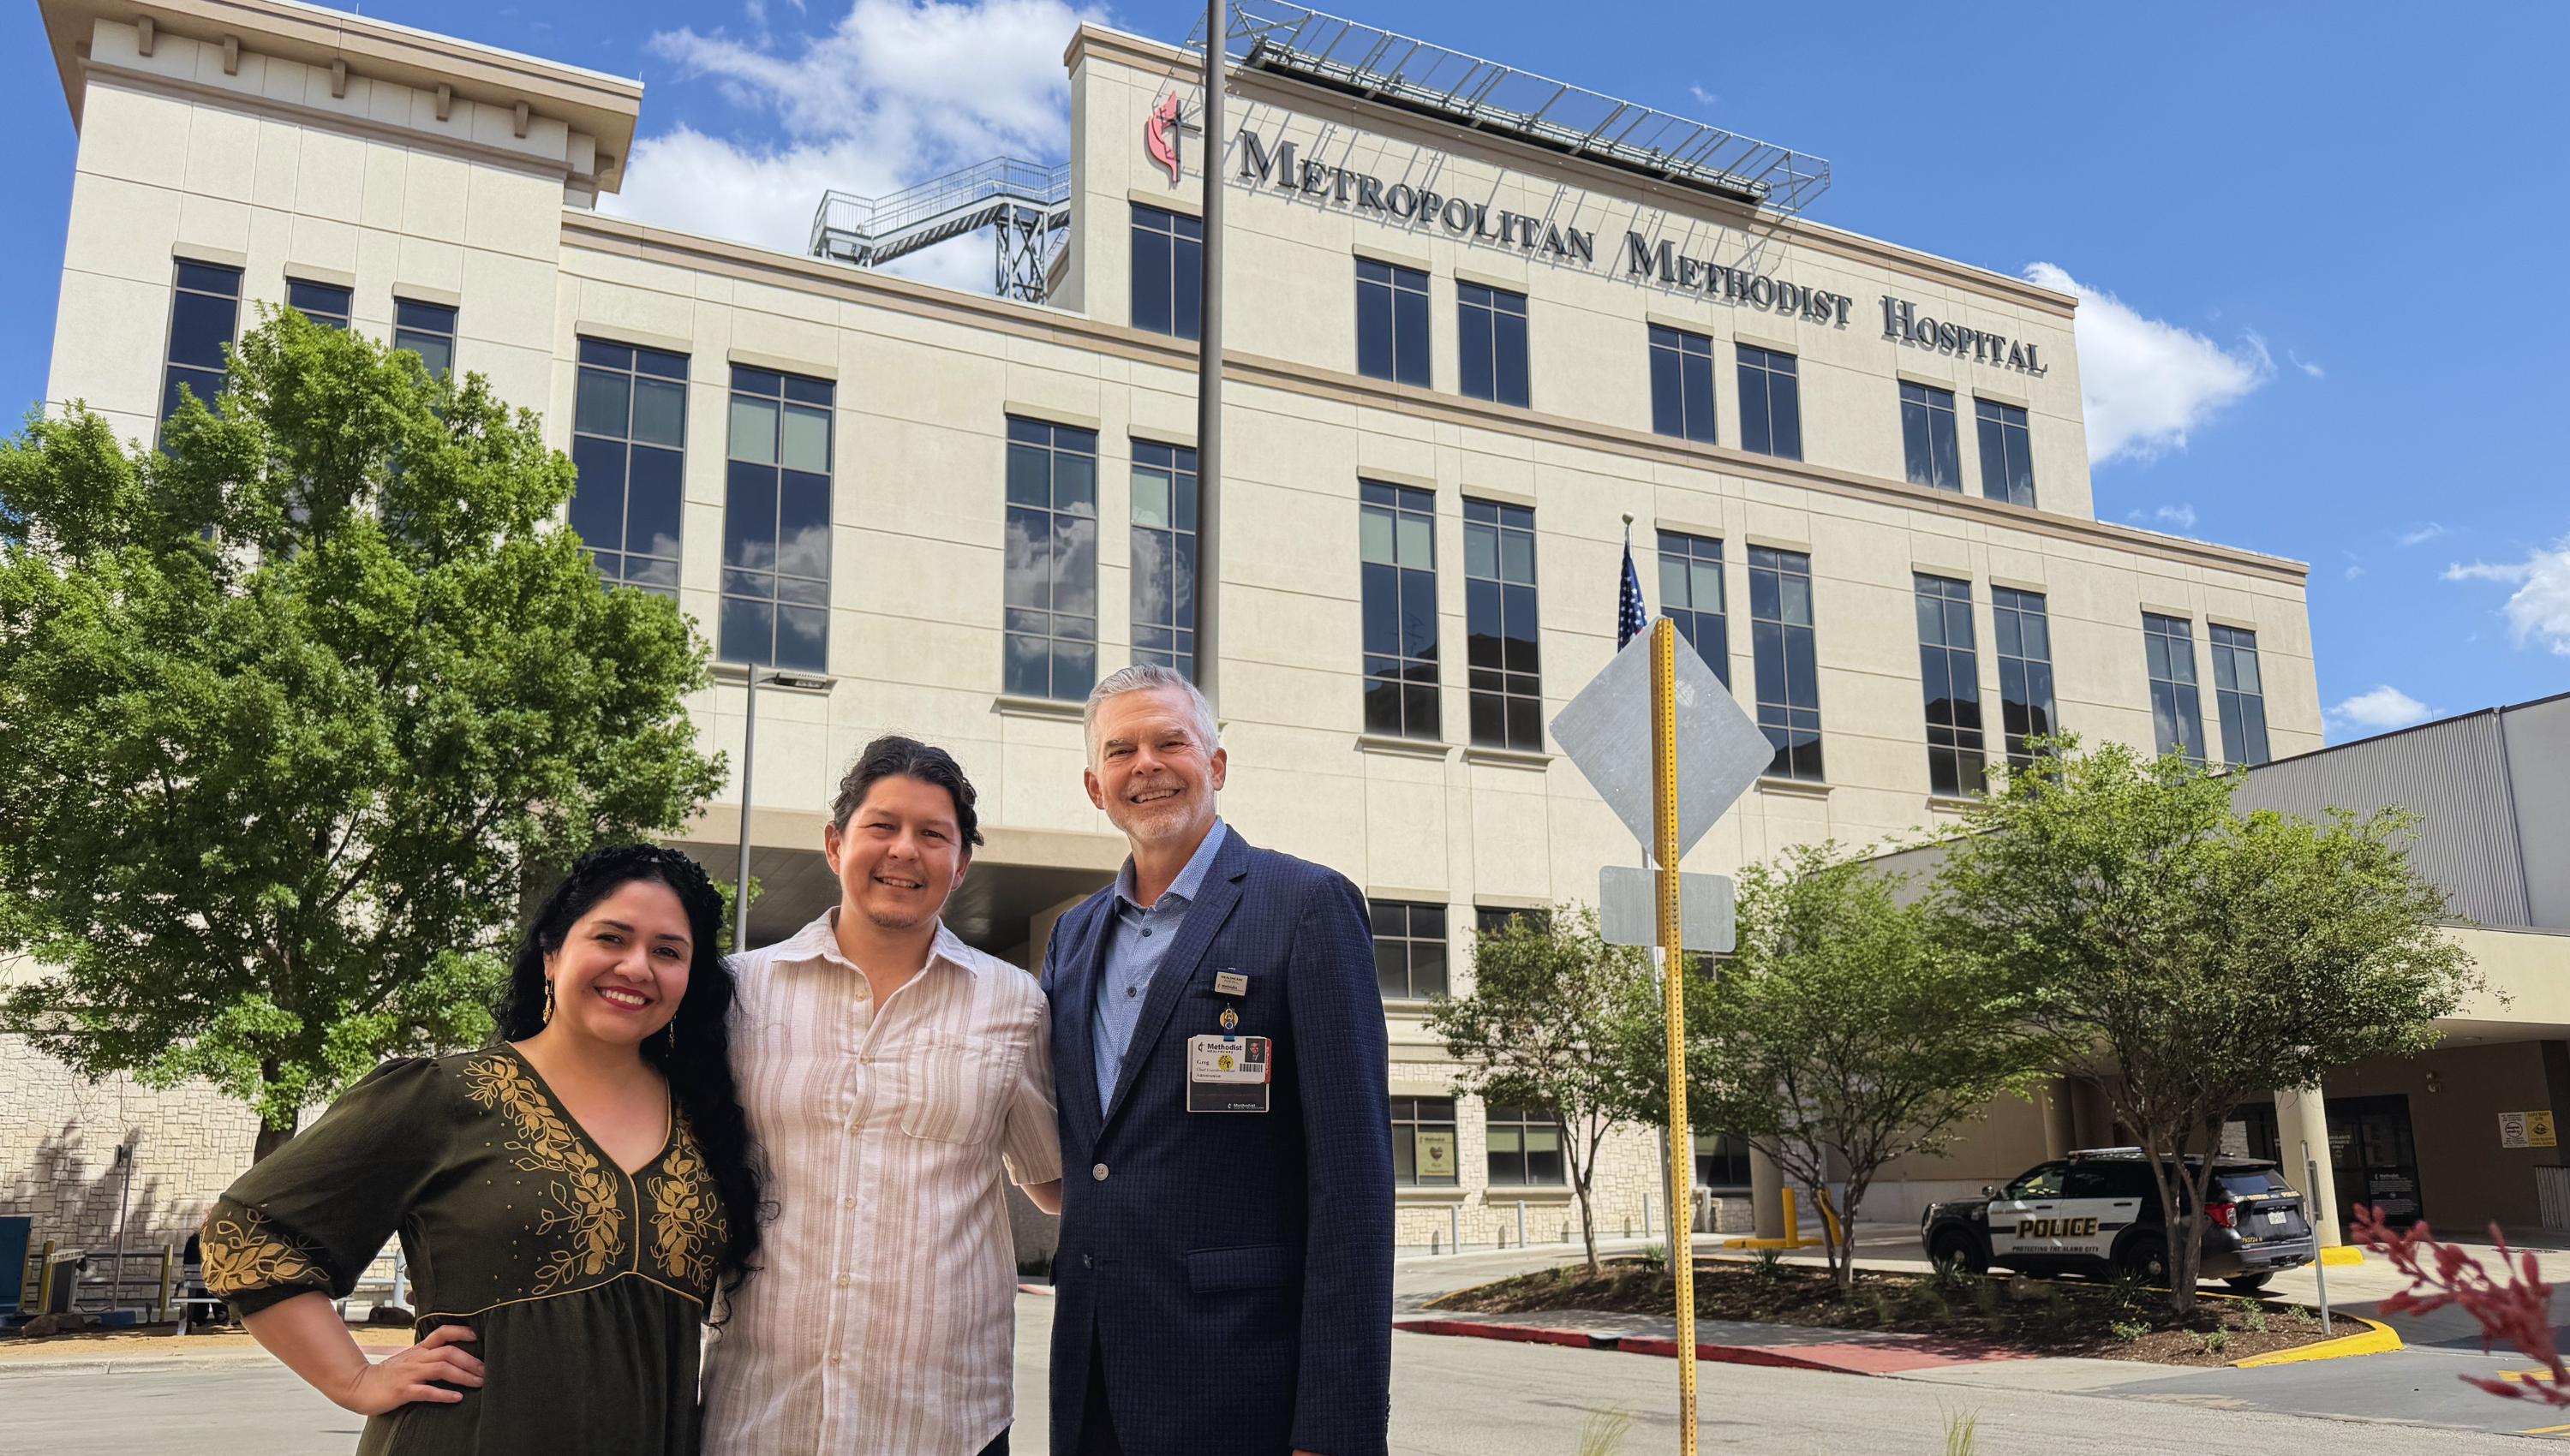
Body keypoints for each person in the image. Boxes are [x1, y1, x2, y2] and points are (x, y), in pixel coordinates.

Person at [202, 844, 762, 1455]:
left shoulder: (705, 1121)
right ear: (552, 955)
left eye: (667, 952)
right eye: (612, 938)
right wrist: (356, 1378)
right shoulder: (447, 1095)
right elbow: (248, 1231)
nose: (636, 967)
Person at [1041, 665, 1393, 1456]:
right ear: (1096, 786)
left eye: (1172, 742)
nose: (1148, 765)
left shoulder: (1305, 907)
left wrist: (1335, 1429)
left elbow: (1354, 1188)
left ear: (1218, 766)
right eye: (1121, 750)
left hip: (1242, 1385)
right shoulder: (1072, 935)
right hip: (1091, 1375)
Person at [702, 735, 1063, 1456]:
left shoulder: (1014, 1004)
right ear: (836, 845)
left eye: (933, 834)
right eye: (882, 827)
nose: (905, 850)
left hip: (944, 1420)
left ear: (960, 866)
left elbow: (1055, 1182)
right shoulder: (737, 993)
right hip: (760, 1414)